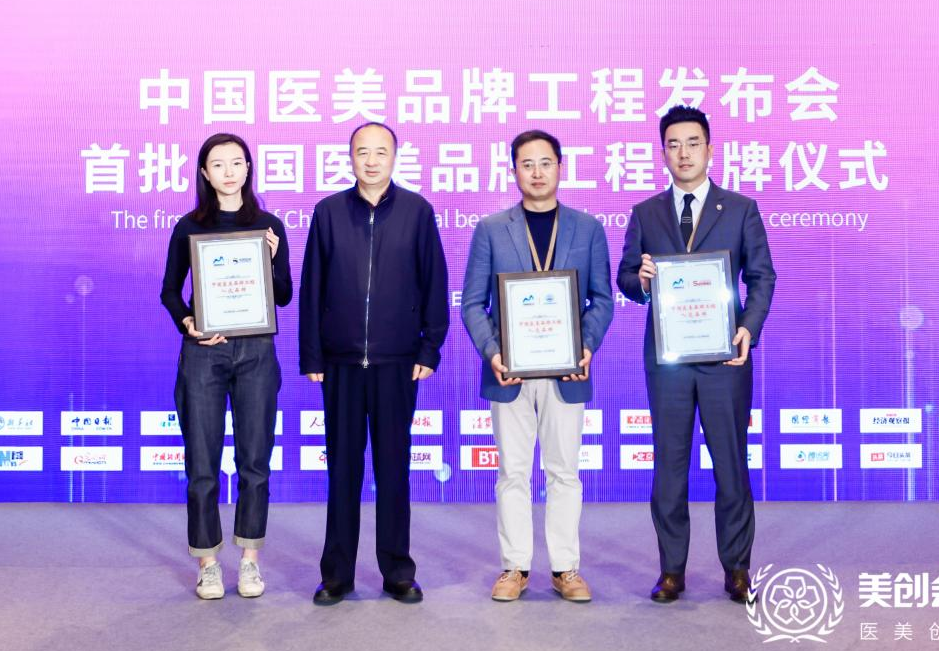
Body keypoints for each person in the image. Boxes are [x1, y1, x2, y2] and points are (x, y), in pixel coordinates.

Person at [616, 106, 776, 604]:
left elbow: (762, 276)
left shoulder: (741, 208)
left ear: (709, 149)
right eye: (673, 145)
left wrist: (748, 327)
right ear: (663, 153)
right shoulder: (646, 213)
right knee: (669, 467)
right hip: (668, 362)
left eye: (692, 143)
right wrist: (641, 281)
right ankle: (671, 571)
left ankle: (737, 570)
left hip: (724, 359)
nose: (683, 153)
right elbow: (625, 277)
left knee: (731, 466)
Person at [299, 122, 449, 605]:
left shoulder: (417, 212)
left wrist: (429, 348)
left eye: (380, 152)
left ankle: (398, 571)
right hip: (341, 363)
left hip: (397, 362)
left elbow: (434, 284)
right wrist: (312, 353)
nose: (371, 160)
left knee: (393, 470)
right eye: (362, 152)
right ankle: (336, 574)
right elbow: (312, 288)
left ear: (394, 157)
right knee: (342, 471)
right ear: (350, 158)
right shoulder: (328, 212)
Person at [462, 130, 614, 603]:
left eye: (545, 163)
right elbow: (472, 303)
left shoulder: (587, 229)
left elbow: (602, 299)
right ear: (514, 171)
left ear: (560, 168)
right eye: (527, 164)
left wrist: (585, 347)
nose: (537, 172)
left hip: (567, 371)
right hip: (508, 371)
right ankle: (515, 567)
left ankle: (566, 569)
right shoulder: (491, 229)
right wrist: (493, 353)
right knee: (512, 473)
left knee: (564, 472)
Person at [160, 132, 293, 600]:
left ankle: (250, 561)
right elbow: (170, 291)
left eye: (237, 162)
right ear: (204, 172)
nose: (229, 171)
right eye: (218, 164)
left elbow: (283, 295)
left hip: (256, 351)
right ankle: (208, 564)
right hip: (204, 353)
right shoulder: (189, 227)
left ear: (248, 168)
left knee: (255, 461)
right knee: (202, 463)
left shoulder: (268, 226)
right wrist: (188, 322)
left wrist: (271, 259)